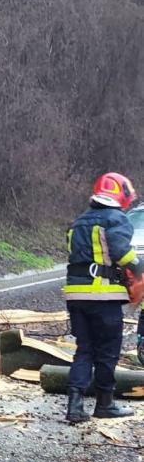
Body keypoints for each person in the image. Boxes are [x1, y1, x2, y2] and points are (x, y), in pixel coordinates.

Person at [63, 172, 143, 424]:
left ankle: (74, 404)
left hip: (76, 296)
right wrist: (139, 267)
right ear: (121, 194)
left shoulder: (78, 222)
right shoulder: (117, 218)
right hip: (104, 296)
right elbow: (121, 252)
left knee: (84, 349)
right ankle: (104, 403)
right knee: (107, 352)